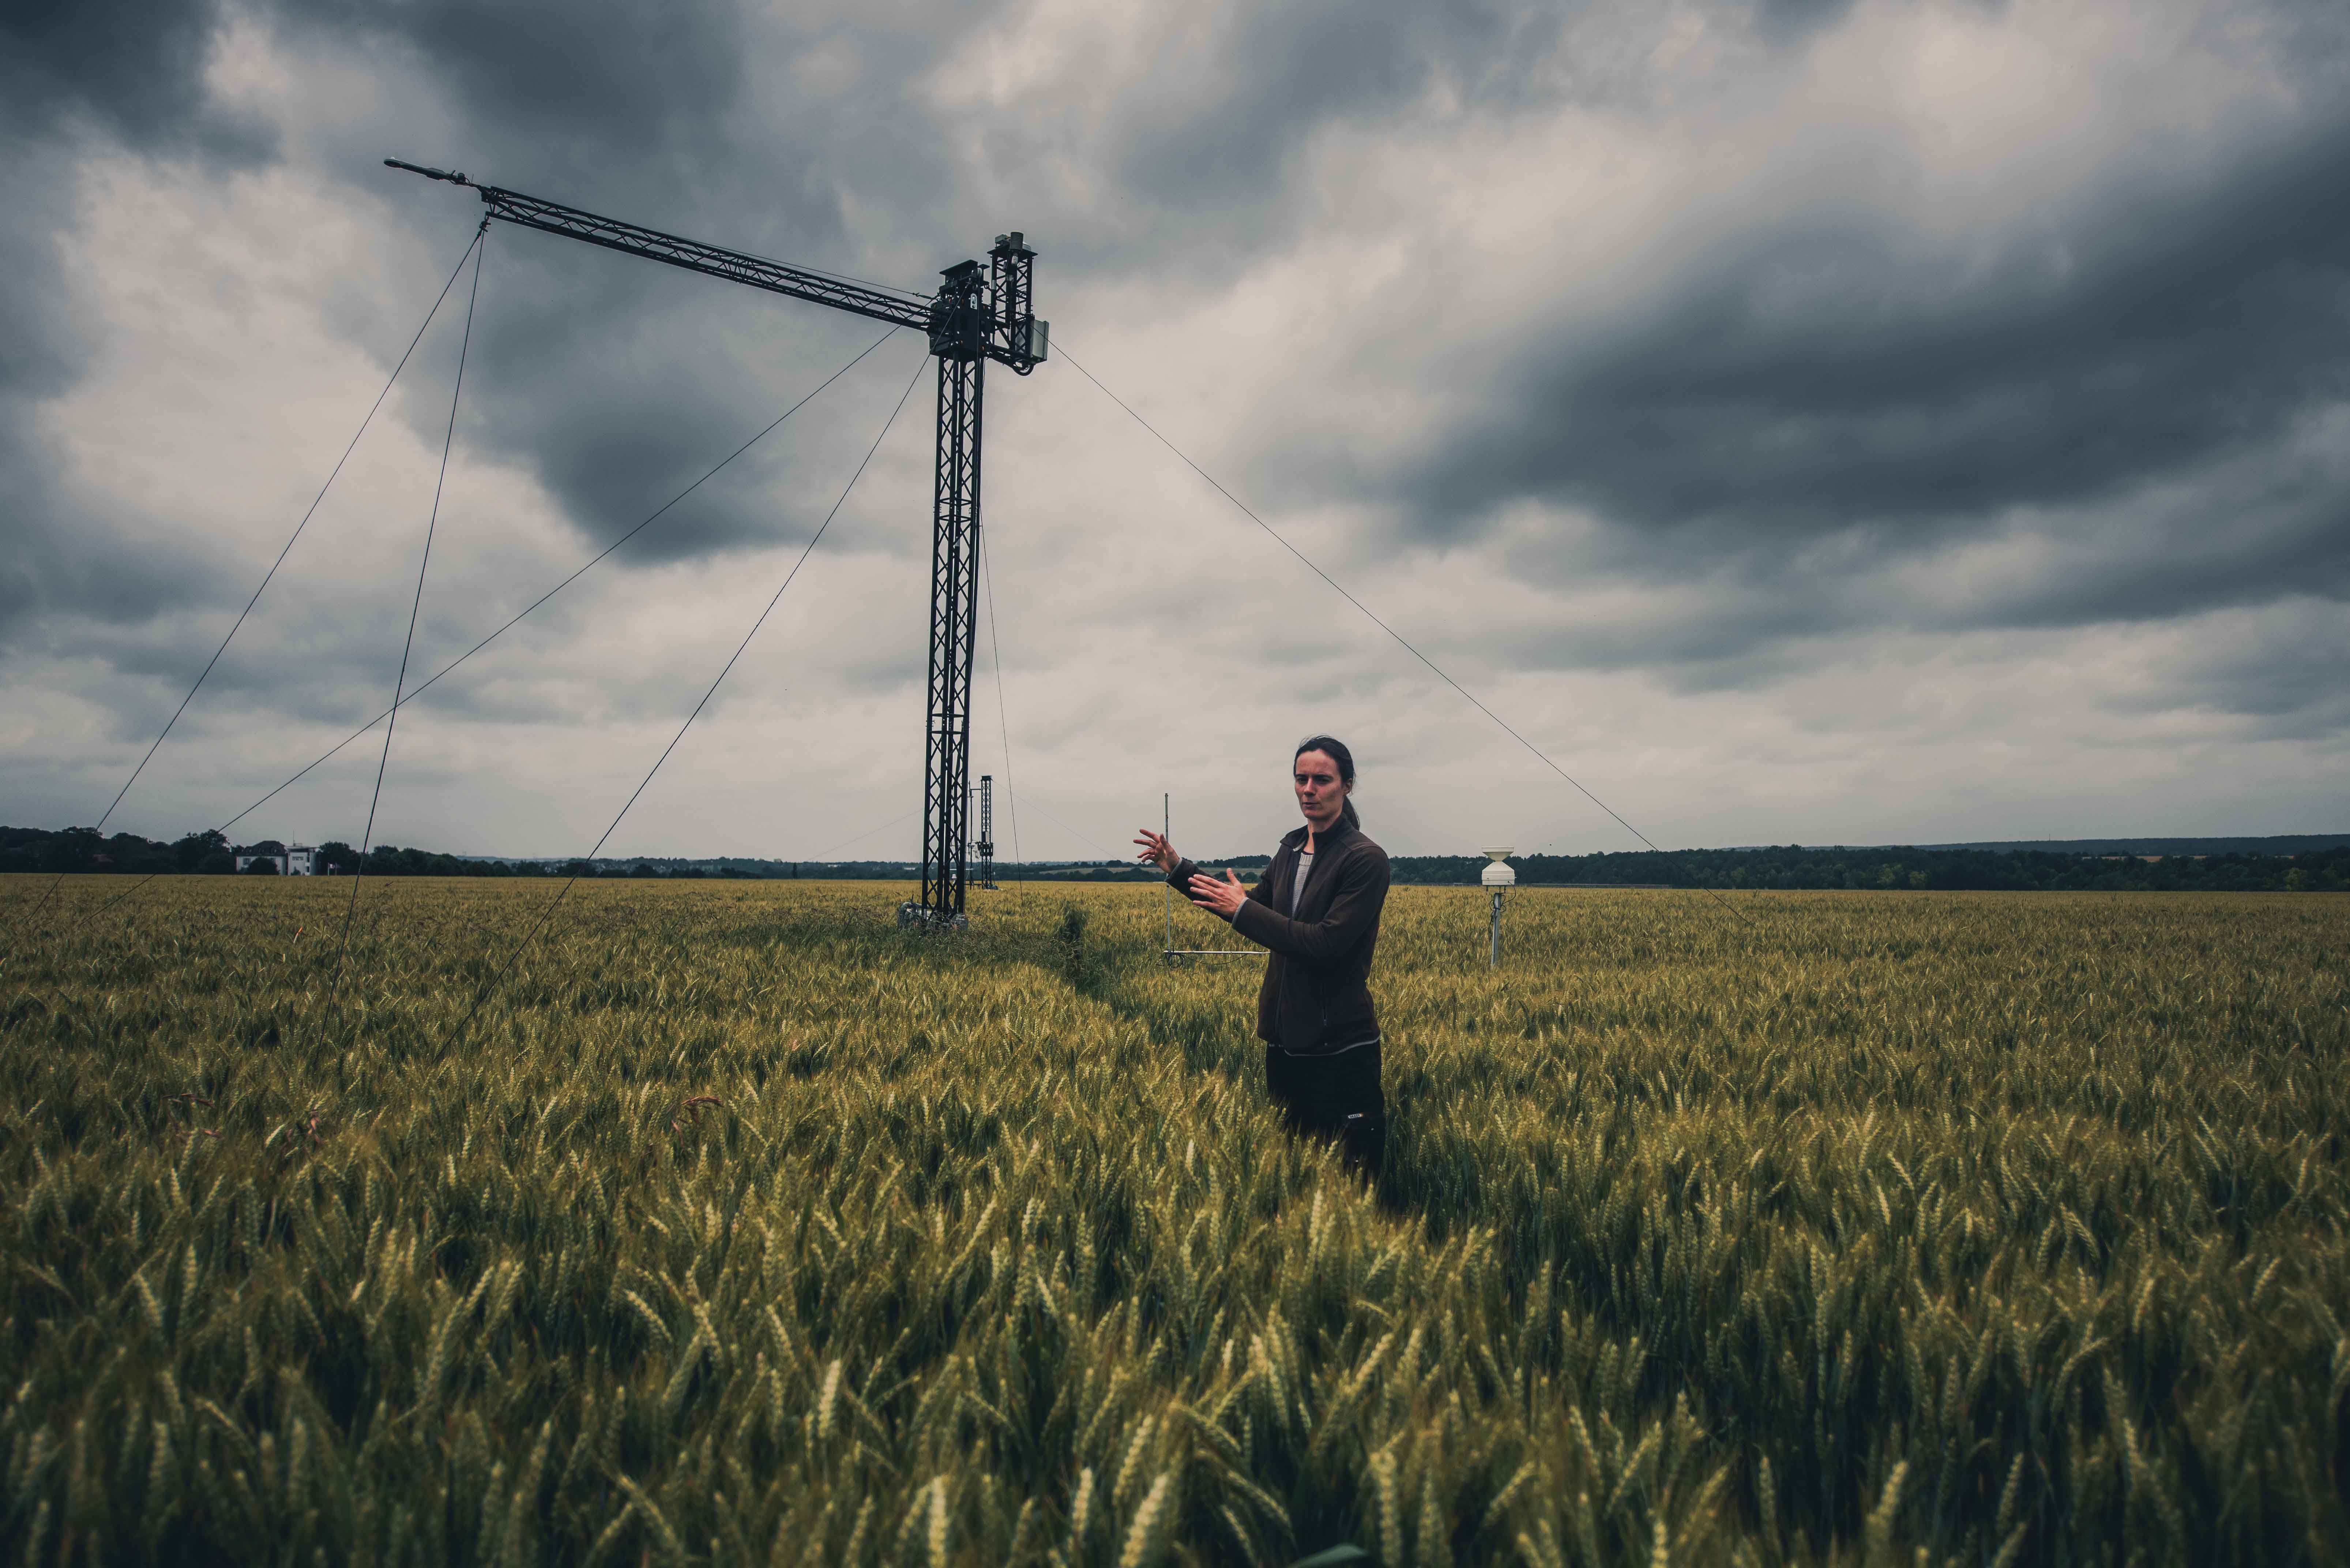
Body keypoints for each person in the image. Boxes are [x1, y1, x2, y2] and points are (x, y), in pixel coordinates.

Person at [1134, 736, 1392, 1173]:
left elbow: (1324, 944)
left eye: (1322, 779)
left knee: (1351, 1180)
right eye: (1301, 779)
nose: (1308, 789)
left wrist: (1244, 910)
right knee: (1292, 1174)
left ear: (1347, 785)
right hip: (1284, 1041)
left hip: (1340, 1049)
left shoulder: (1365, 860)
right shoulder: (1290, 850)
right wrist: (1179, 870)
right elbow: (1249, 909)